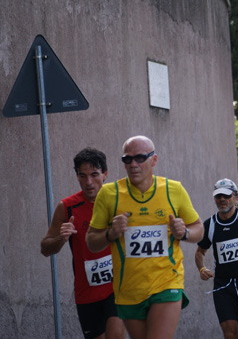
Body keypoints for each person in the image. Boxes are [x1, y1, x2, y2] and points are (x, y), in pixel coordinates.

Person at [86, 136, 203, 339]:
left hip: (167, 283)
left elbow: (198, 228)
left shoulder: (173, 189)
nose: (133, 164)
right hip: (129, 290)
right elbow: (91, 242)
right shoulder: (108, 193)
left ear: (154, 160)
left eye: (140, 158)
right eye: (127, 159)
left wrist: (184, 233)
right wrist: (111, 233)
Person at [40, 148, 126, 339]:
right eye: (83, 176)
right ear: (77, 176)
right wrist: (61, 239)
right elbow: (45, 248)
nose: (89, 182)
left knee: (115, 334)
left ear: (105, 174)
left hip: (118, 287)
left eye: (94, 175)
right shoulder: (68, 207)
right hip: (86, 292)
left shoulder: (119, 201)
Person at [196, 178, 238, 339]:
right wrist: (202, 268)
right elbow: (200, 252)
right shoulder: (210, 224)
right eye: (218, 196)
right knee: (230, 333)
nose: (222, 200)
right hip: (223, 287)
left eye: (226, 196)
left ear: (235, 197)